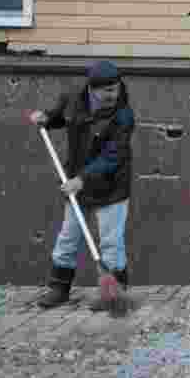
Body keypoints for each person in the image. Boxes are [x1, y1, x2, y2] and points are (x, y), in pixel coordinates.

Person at [28, 60, 135, 311]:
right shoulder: (73, 98)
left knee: (111, 243)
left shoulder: (123, 116)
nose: (113, 95)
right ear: (92, 89)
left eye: (116, 89)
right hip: (78, 184)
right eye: (107, 91)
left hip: (112, 188)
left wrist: (81, 179)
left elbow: (113, 157)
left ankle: (114, 294)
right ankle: (58, 288)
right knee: (68, 237)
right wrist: (46, 117)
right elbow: (59, 118)